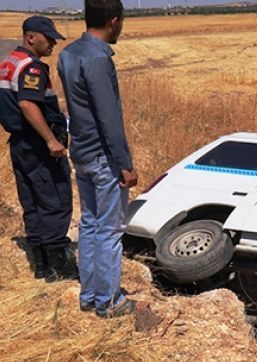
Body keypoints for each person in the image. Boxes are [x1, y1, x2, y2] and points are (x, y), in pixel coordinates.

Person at [57, 0, 137, 318]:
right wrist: (125, 164)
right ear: (114, 22)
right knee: (110, 229)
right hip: (104, 157)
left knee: (89, 224)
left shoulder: (68, 54)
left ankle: (89, 295)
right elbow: (108, 118)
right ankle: (109, 301)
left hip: (82, 152)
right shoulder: (99, 59)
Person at [0, 16, 77, 282]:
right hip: (38, 146)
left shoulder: (8, 64)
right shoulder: (31, 67)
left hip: (20, 144)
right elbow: (28, 105)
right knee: (55, 201)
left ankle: (41, 264)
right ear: (31, 37)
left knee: (31, 201)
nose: (54, 42)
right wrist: (50, 140)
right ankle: (60, 267)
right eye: (49, 37)